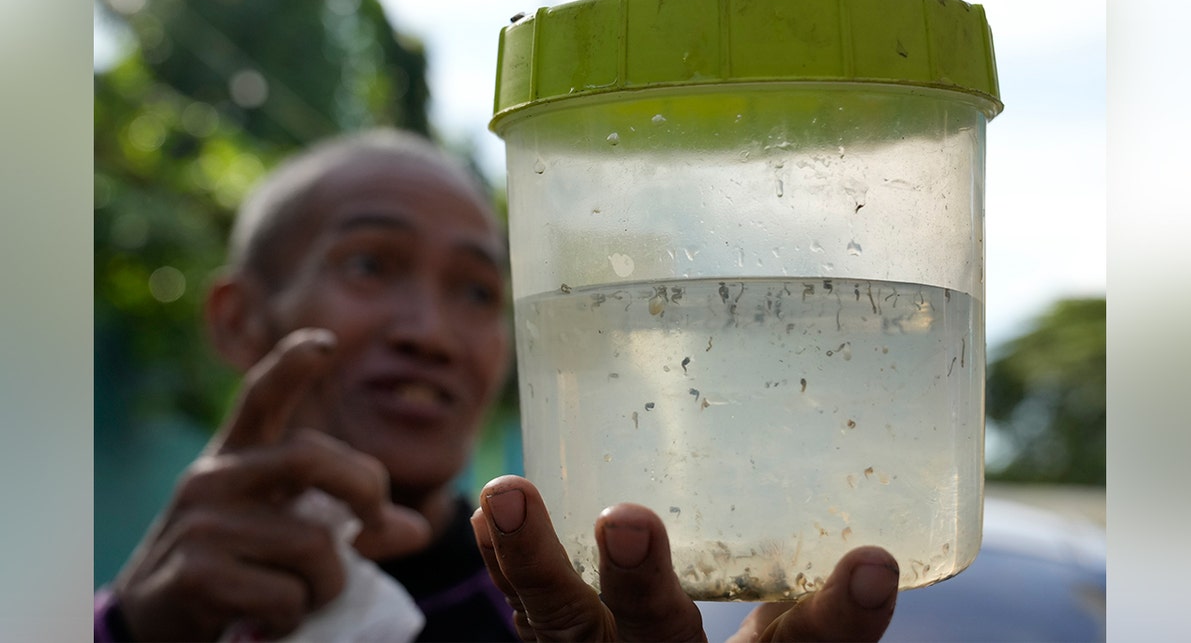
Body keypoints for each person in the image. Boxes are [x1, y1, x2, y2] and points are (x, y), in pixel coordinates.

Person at [94, 128, 900, 642]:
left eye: (479, 291)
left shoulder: (561, 622)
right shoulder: (147, 615)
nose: (432, 332)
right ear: (239, 318)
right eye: (370, 263)